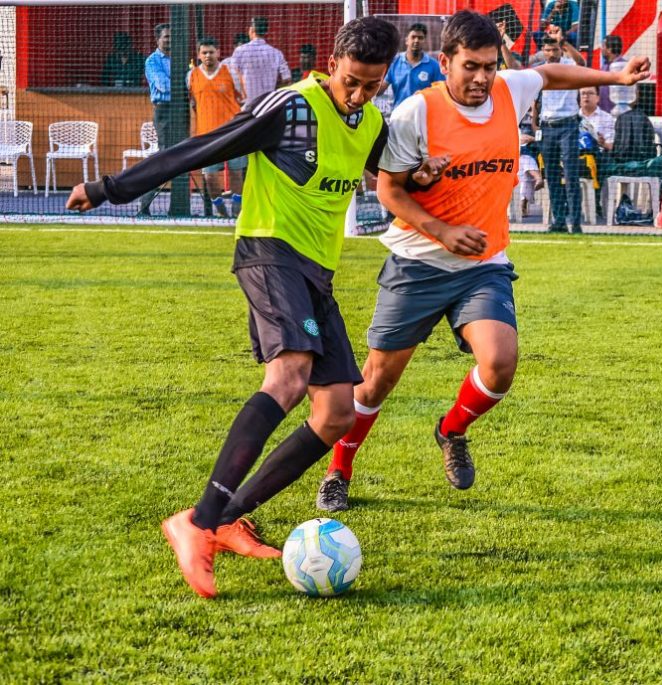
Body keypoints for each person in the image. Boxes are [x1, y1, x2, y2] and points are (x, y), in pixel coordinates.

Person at [65, 17, 421, 599]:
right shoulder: (292, 107)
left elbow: (396, 176)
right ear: (333, 62)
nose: (359, 94)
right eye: (352, 80)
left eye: (372, 84)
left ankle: (232, 517)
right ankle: (198, 522)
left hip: (316, 277)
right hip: (267, 251)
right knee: (289, 373)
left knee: (336, 415)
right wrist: (110, 188)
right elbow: (198, 149)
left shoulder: (373, 122)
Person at [314, 8, 650, 513]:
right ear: (445, 61)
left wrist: (615, 75)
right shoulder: (415, 113)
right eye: (470, 66)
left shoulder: (506, 90)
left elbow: (549, 74)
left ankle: (451, 430)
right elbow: (389, 189)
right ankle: (339, 470)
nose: (482, 77)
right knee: (378, 379)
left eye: (490, 66)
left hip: (483, 263)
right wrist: (442, 230)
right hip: (418, 263)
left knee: (499, 364)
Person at [187, 36, 245, 218]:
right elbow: (193, 103)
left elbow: (242, 99)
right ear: (198, 55)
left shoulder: (231, 73)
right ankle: (221, 213)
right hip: (206, 136)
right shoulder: (191, 76)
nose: (208, 55)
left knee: (236, 173)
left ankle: (237, 211)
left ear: (218, 53)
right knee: (210, 178)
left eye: (211, 52)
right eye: (204, 52)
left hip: (232, 133)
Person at [537, 36, 583, 233]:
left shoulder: (569, 64)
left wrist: (564, 42)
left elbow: (582, 62)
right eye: (548, 50)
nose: (552, 54)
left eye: (555, 49)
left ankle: (576, 222)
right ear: (543, 50)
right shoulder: (540, 69)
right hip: (548, 126)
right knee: (552, 175)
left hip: (568, 124)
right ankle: (558, 221)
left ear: (561, 50)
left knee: (572, 175)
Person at [137, 23, 171, 216]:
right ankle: (144, 204)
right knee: (165, 157)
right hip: (164, 111)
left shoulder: (180, 57)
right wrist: (182, 82)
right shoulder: (152, 61)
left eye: (171, 36)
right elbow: (164, 86)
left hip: (180, 111)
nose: (170, 40)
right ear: (157, 39)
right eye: (166, 37)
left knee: (184, 155)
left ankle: (178, 206)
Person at [232, 16, 291, 107]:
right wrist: (274, 92)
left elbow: (232, 76)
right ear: (266, 31)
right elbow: (287, 79)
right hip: (268, 105)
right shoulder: (276, 53)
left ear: (251, 30)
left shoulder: (240, 51)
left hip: (246, 105)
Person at [384, 23, 445, 108]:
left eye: (420, 38)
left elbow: (442, 92)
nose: (416, 40)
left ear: (425, 41)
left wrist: (425, 94)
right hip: (399, 115)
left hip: (423, 116)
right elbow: (380, 88)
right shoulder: (395, 63)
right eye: (413, 37)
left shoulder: (434, 65)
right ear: (407, 40)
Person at [579, 86, 614, 152]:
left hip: (599, 157)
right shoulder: (572, 118)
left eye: (590, 93)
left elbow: (612, 146)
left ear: (597, 98)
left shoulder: (607, 117)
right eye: (583, 93)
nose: (586, 96)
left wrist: (602, 143)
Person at [598, 34, 626, 113]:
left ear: (609, 50)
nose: (601, 49)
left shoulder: (623, 66)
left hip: (618, 114)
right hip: (603, 114)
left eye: (603, 46)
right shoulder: (604, 66)